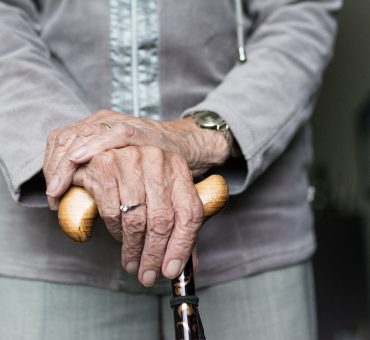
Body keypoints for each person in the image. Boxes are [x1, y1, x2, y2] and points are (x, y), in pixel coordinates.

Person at [0, 0, 341, 339]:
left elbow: (298, 12)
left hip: (250, 239)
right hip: (49, 253)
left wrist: (201, 136)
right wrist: (81, 149)